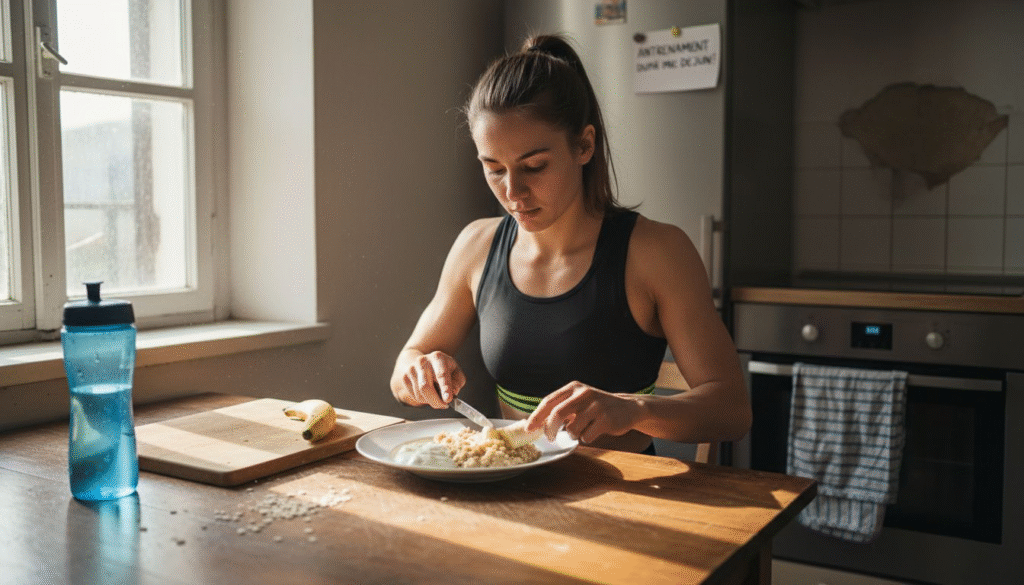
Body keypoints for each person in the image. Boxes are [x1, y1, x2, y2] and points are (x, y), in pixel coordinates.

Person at [389, 34, 750, 454]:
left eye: (534, 166)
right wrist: (417, 370)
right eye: (493, 169)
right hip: (513, 493)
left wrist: (632, 410)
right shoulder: (476, 246)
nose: (513, 191)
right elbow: (404, 368)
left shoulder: (657, 251)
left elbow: (732, 410)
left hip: (625, 498)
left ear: (584, 145)